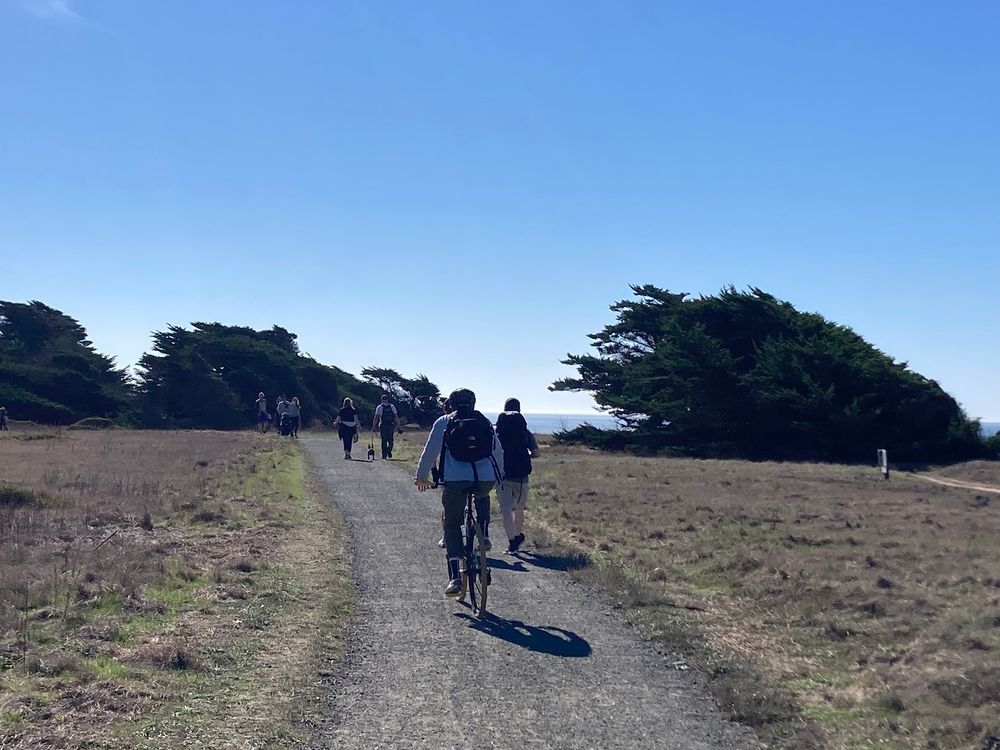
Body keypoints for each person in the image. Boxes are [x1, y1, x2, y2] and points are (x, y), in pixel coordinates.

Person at [415, 388, 504, 597]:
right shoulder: (483, 421)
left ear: (452, 404)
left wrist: (421, 476)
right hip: (485, 478)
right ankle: (483, 536)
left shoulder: (444, 421)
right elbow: (497, 451)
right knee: (482, 496)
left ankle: (455, 577)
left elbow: (430, 451)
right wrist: (500, 476)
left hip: (455, 479)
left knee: (452, 522)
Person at [495, 398, 540, 553]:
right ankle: (518, 535)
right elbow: (536, 453)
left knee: (506, 509)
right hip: (521, 477)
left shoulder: (497, 432)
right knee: (519, 509)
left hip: (502, 475)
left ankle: (512, 542)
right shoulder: (525, 432)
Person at [373, 394, 400, 459]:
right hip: (390, 425)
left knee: (384, 440)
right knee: (391, 440)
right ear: (387, 399)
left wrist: (374, 426)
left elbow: (376, 417)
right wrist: (398, 424)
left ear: (381, 400)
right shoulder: (392, 406)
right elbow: (396, 415)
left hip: (382, 425)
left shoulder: (379, 407)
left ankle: (384, 455)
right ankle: (388, 451)